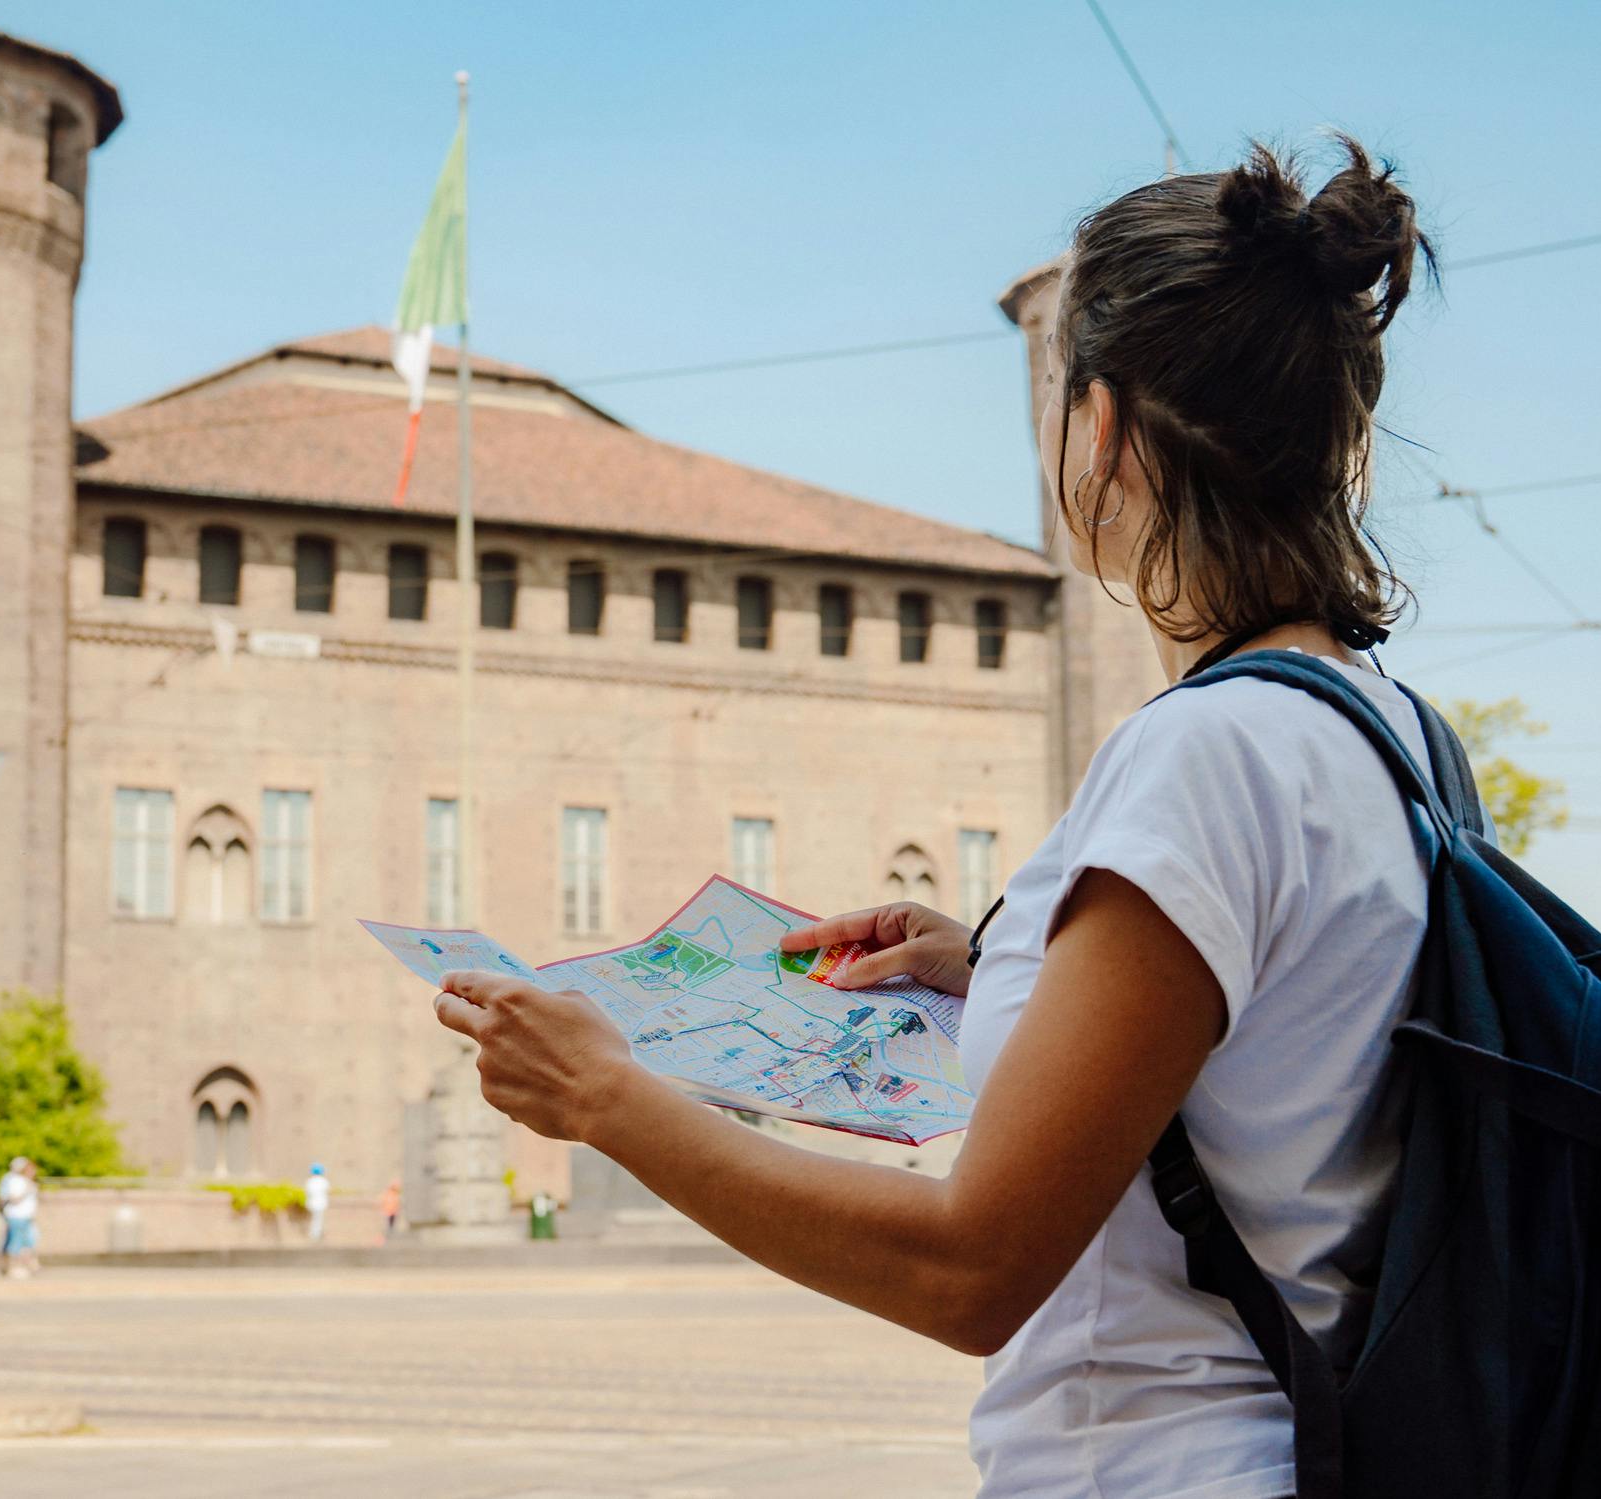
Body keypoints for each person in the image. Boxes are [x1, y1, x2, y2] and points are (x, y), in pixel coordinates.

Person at [435, 136, 1437, 1499]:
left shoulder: (1205, 754)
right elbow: (1285, 1062)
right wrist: (1009, 965)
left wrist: (609, 1096)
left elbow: (970, 1265)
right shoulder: (1396, 737)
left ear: (1098, 428)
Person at [0, 1156, 40, 1279]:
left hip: (26, 1216)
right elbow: (12, 1198)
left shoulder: (25, 1181)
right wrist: (27, 1190)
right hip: (16, 1216)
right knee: (15, 1242)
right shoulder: (14, 1180)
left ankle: (26, 1266)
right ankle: (12, 1268)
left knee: (27, 1242)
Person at [303, 1162, 330, 1243]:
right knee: (317, 1219)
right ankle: (315, 1234)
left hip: (311, 1202)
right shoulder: (323, 1181)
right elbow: (327, 1190)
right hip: (320, 1203)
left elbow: (307, 1191)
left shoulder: (310, 1181)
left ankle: (315, 1233)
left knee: (315, 1218)